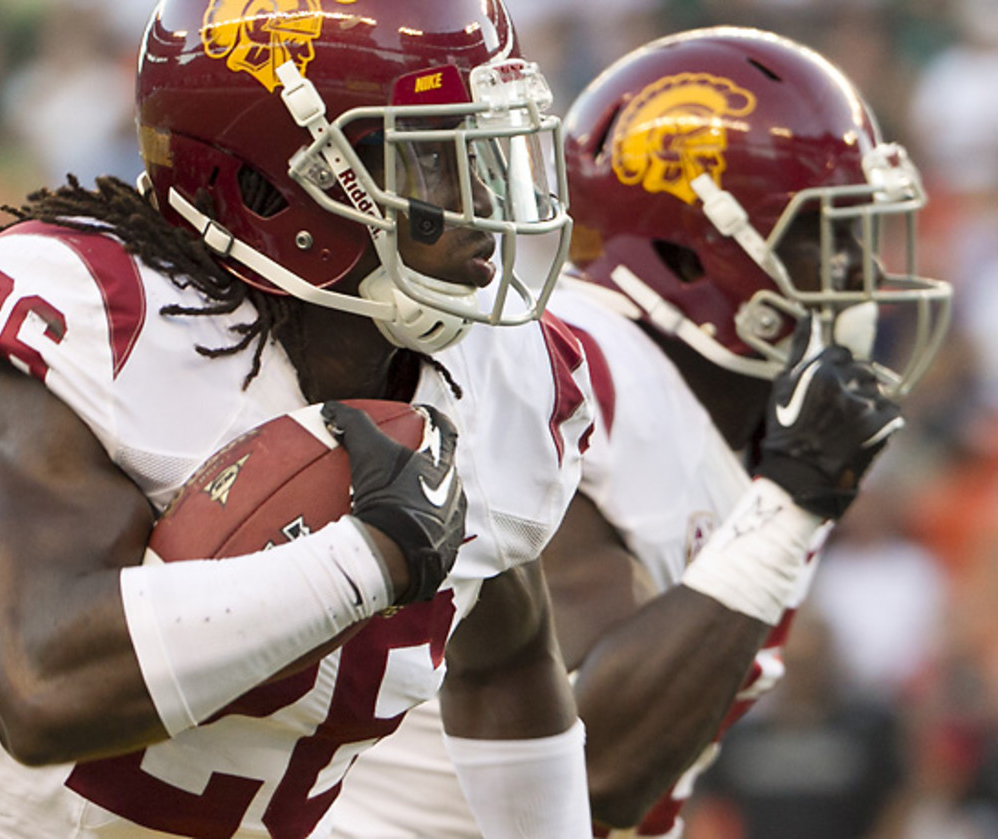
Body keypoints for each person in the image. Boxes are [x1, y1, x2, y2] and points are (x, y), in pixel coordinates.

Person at [0, 1, 599, 837]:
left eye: (486, 149)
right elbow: (42, 689)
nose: (486, 202)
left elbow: (511, 654)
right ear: (273, 180)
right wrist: (363, 562)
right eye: (432, 160)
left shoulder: (499, 376)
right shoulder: (112, 322)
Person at [330, 26, 953, 839]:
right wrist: (788, 510)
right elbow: (585, 771)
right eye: (819, 236)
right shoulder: (583, 381)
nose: (857, 277)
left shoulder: (743, 423)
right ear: (690, 253)